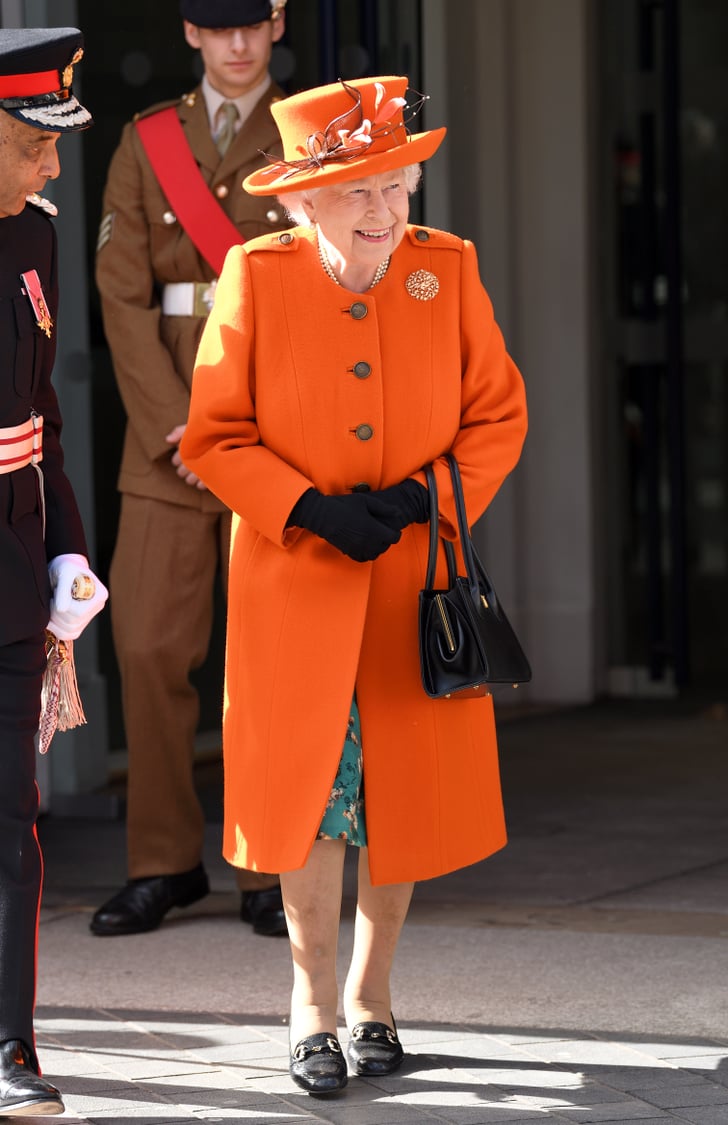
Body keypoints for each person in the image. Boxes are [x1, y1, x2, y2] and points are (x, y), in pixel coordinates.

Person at [179, 75, 528, 1095]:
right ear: (302, 200)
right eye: (360, 193)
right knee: (314, 800)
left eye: (398, 186)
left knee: (398, 796)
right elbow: (214, 434)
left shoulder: (444, 270)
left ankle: (375, 998)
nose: (385, 213)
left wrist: (432, 499)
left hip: (412, 582)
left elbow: (495, 415)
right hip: (297, 579)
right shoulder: (256, 274)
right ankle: (310, 1007)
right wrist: (307, 508)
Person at [92, 0, 291, 939]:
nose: (239, 44)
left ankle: (266, 862)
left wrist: (242, 426)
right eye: (220, 27)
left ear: (278, 23)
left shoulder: (310, 130)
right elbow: (120, 290)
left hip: (276, 421)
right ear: (190, 33)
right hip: (165, 427)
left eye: (254, 23)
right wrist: (181, 424)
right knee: (147, 646)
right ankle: (164, 862)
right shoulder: (147, 142)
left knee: (264, 659)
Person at [0, 27, 107, 1116]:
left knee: (10, 820)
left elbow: (44, 419)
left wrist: (68, 546)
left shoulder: (34, 236)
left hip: (19, 567)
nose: (53, 165)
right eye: (36, 141)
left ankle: (11, 1045)